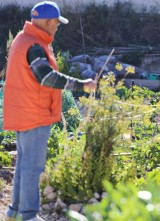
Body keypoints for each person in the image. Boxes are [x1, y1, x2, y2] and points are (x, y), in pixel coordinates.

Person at [3, 1, 97, 221]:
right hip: (34, 114)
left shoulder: (21, 39)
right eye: (56, 23)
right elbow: (46, 78)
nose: (57, 27)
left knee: (23, 166)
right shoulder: (34, 45)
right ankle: (28, 215)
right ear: (46, 22)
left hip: (23, 112)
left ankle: (15, 213)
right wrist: (81, 84)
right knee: (33, 168)